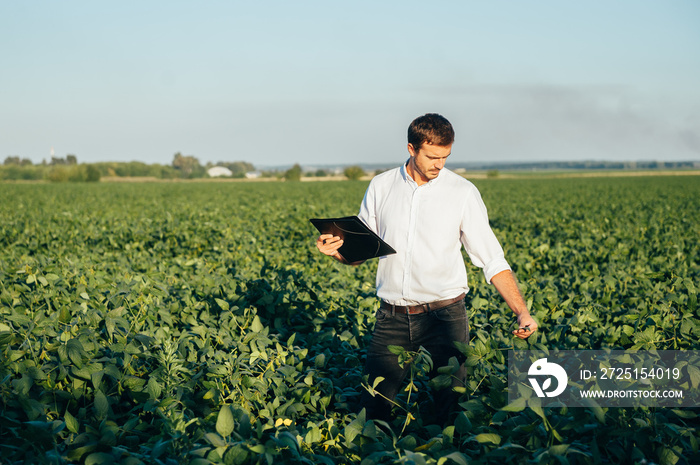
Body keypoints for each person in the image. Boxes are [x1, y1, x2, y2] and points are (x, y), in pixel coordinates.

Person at [316, 113, 538, 424]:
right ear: (411, 148)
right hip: (391, 316)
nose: (439, 164)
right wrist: (336, 252)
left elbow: (492, 259)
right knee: (374, 406)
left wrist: (521, 311)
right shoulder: (381, 186)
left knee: (450, 407)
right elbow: (360, 252)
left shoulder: (462, 192)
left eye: (445, 157)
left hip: (445, 317)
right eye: (432, 156)